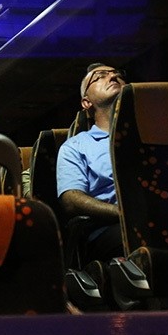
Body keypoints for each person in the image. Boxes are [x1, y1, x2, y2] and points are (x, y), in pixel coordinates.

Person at [56, 62, 126, 262]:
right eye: (100, 76)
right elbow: (71, 199)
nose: (113, 77)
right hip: (112, 230)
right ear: (86, 103)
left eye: (117, 74)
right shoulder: (75, 146)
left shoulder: (154, 135)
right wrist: (123, 213)